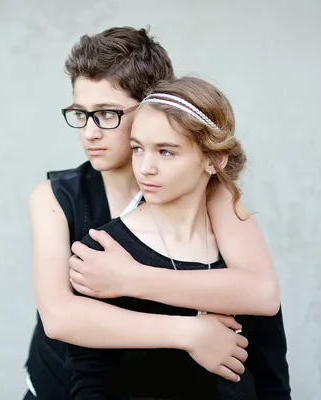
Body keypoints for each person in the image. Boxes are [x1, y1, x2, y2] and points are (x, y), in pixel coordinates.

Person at [24, 26, 290, 400]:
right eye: (80, 114)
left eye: (107, 114)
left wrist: (131, 278)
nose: (90, 132)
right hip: (58, 387)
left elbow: (261, 293)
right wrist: (189, 333)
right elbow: (60, 317)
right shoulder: (56, 197)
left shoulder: (207, 190)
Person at [67, 75, 269, 399]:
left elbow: (269, 366)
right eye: (137, 149)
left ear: (214, 159)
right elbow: (88, 380)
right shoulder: (102, 253)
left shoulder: (237, 247)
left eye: (166, 152)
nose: (146, 167)